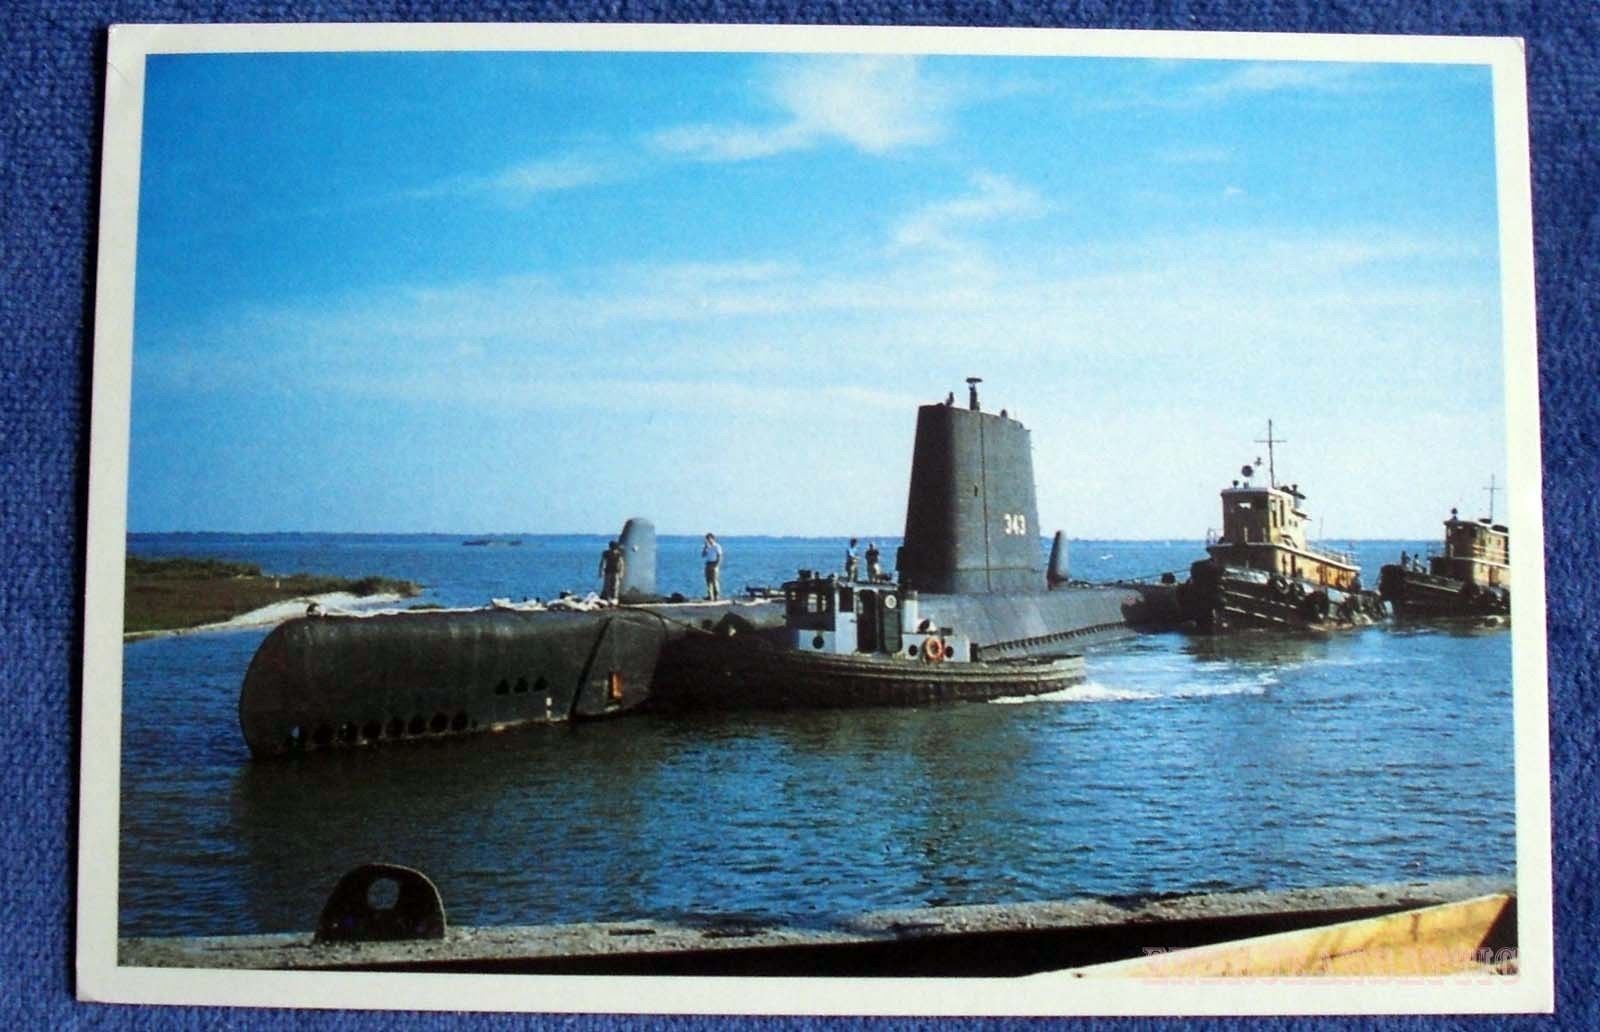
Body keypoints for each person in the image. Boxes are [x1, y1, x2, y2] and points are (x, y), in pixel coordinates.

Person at [702, 532, 723, 601]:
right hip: (708, 563)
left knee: (714, 580)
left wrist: (717, 564)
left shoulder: (717, 546)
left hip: (714, 563)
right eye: (707, 539)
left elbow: (720, 556)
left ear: (713, 539)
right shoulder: (708, 547)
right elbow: (703, 555)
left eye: (709, 538)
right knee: (708, 580)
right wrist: (705, 547)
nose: (708, 540)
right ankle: (710, 595)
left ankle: (716, 595)